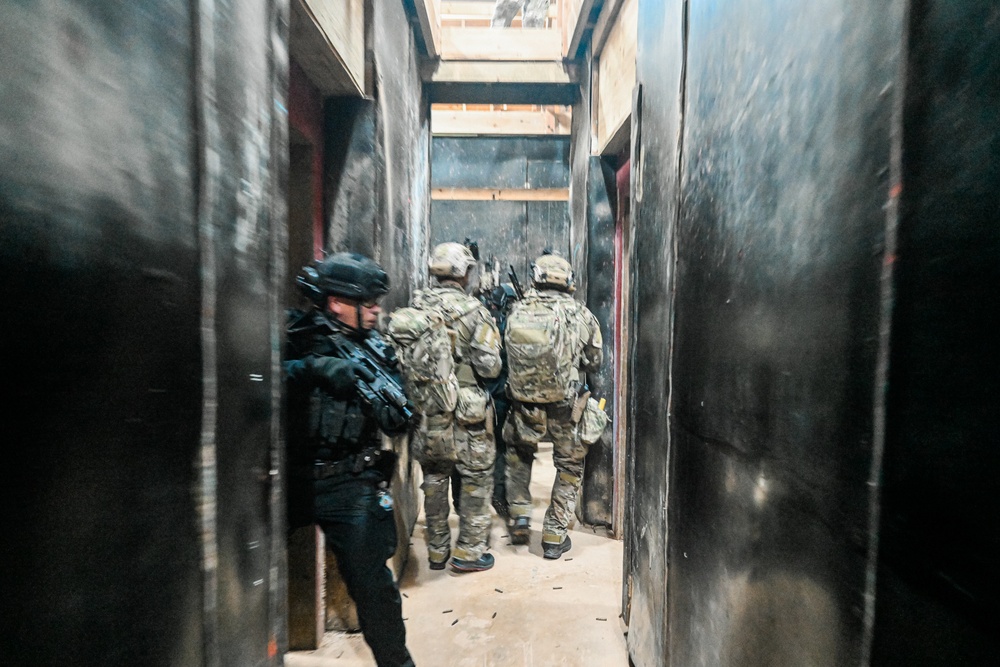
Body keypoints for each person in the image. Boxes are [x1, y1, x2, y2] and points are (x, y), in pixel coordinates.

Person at [283, 252, 416, 667]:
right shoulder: (294, 333)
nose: (377, 308)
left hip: (351, 483)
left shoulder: (375, 351)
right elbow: (249, 372)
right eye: (369, 302)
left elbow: (398, 416)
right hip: (287, 479)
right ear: (337, 302)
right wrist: (309, 369)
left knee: (376, 593)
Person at [390, 242, 502, 572]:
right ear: (463, 273)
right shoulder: (475, 312)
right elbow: (490, 367)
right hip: (468, 415)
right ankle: (468, 552)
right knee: (475, 480)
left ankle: (438, 550)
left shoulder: (416, 309)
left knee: (435, 478)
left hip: (428, 413)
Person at [502, 253, 603, 559]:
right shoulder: (581, 314)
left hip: (523, 402)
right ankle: (554, 535)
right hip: (565, 404)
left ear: (537, 277)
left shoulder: (518, 309)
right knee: (569, 465)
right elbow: (594, 362)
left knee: (519, 453)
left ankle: (519, 515)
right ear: (569, 283)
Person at [478, 283, 519, 518]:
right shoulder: (506, 324)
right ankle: (499, 494)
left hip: (483, 394)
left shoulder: (484, 321)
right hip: (501, 395)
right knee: (502, 448)